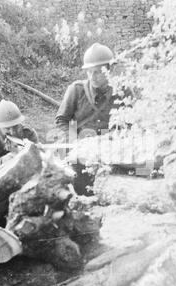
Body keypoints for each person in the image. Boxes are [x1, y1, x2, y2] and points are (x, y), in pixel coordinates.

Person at [55, 43, 131, 195]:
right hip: (80, 150)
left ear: (110, 70)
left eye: (98, 72)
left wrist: (114, 139)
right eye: (89, 72)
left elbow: (130, 124)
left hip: (110, 149)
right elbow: (62, 120)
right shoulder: (76, 90)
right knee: (77, 187)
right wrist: (75, 141)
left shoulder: (123, 92)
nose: (93, 77)